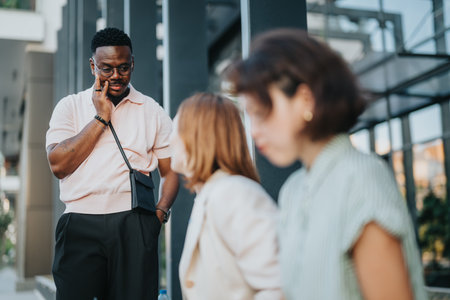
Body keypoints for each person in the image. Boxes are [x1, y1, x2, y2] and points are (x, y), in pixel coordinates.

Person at [226, 28, 427, 300]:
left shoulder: (360, 179)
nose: (254, 130)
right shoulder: (294, 190)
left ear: (306, 100)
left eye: (261, 113)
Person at [46, 27, 179, 300]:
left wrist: (159, 215)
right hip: (79, 223)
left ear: (133, 63)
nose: (116, 76)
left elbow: (171, 171)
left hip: (134, 224)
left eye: (123, 67)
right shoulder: (69, 106)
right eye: (107, 69)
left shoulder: (151, 109)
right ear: (92, 66)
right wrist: (100, 118)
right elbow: (58, 164)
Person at [169, 93, 284, 300]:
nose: (169, 138)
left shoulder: (234, 194)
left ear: (197, 135)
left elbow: (278, 286)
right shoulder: (211, 194)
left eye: (176, 128)